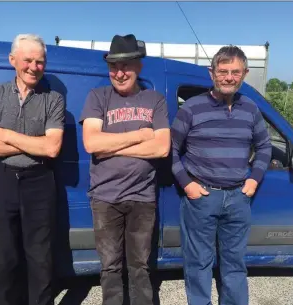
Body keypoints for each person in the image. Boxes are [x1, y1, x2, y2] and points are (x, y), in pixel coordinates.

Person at [171, 45, 272, 305]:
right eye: (223, 71)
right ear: (212, 73)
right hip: (201, 198)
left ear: (245, 74)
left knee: (235, 265)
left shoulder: (250, 108)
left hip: (238, 198)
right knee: (198, 264)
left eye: (235, 72)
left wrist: (253, 179)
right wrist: (187, 184)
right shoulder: (192, 108)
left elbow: (264, 146)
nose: (229, 77)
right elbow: (169, 149)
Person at [0, 34, 65, 305]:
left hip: (39, 181)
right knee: (4, 257)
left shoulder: (54, 99)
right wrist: (31, 144)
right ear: (13, 60)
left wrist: (5, 134)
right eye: (28, 60)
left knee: (40, 258)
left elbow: (51, 149)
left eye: (40, 62)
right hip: (1, 180)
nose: (34, 67)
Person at [79, 34, 171, 305]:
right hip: (105, 198)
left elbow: (162, 148)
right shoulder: (98, 97)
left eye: (126, 66)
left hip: (143, 199)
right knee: (110, 268)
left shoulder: (154, 100)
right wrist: (140, 135)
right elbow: (92, 143)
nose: (119, 73)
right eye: (113, 67)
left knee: (140, 268)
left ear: (138, 66)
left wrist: (112, 146)